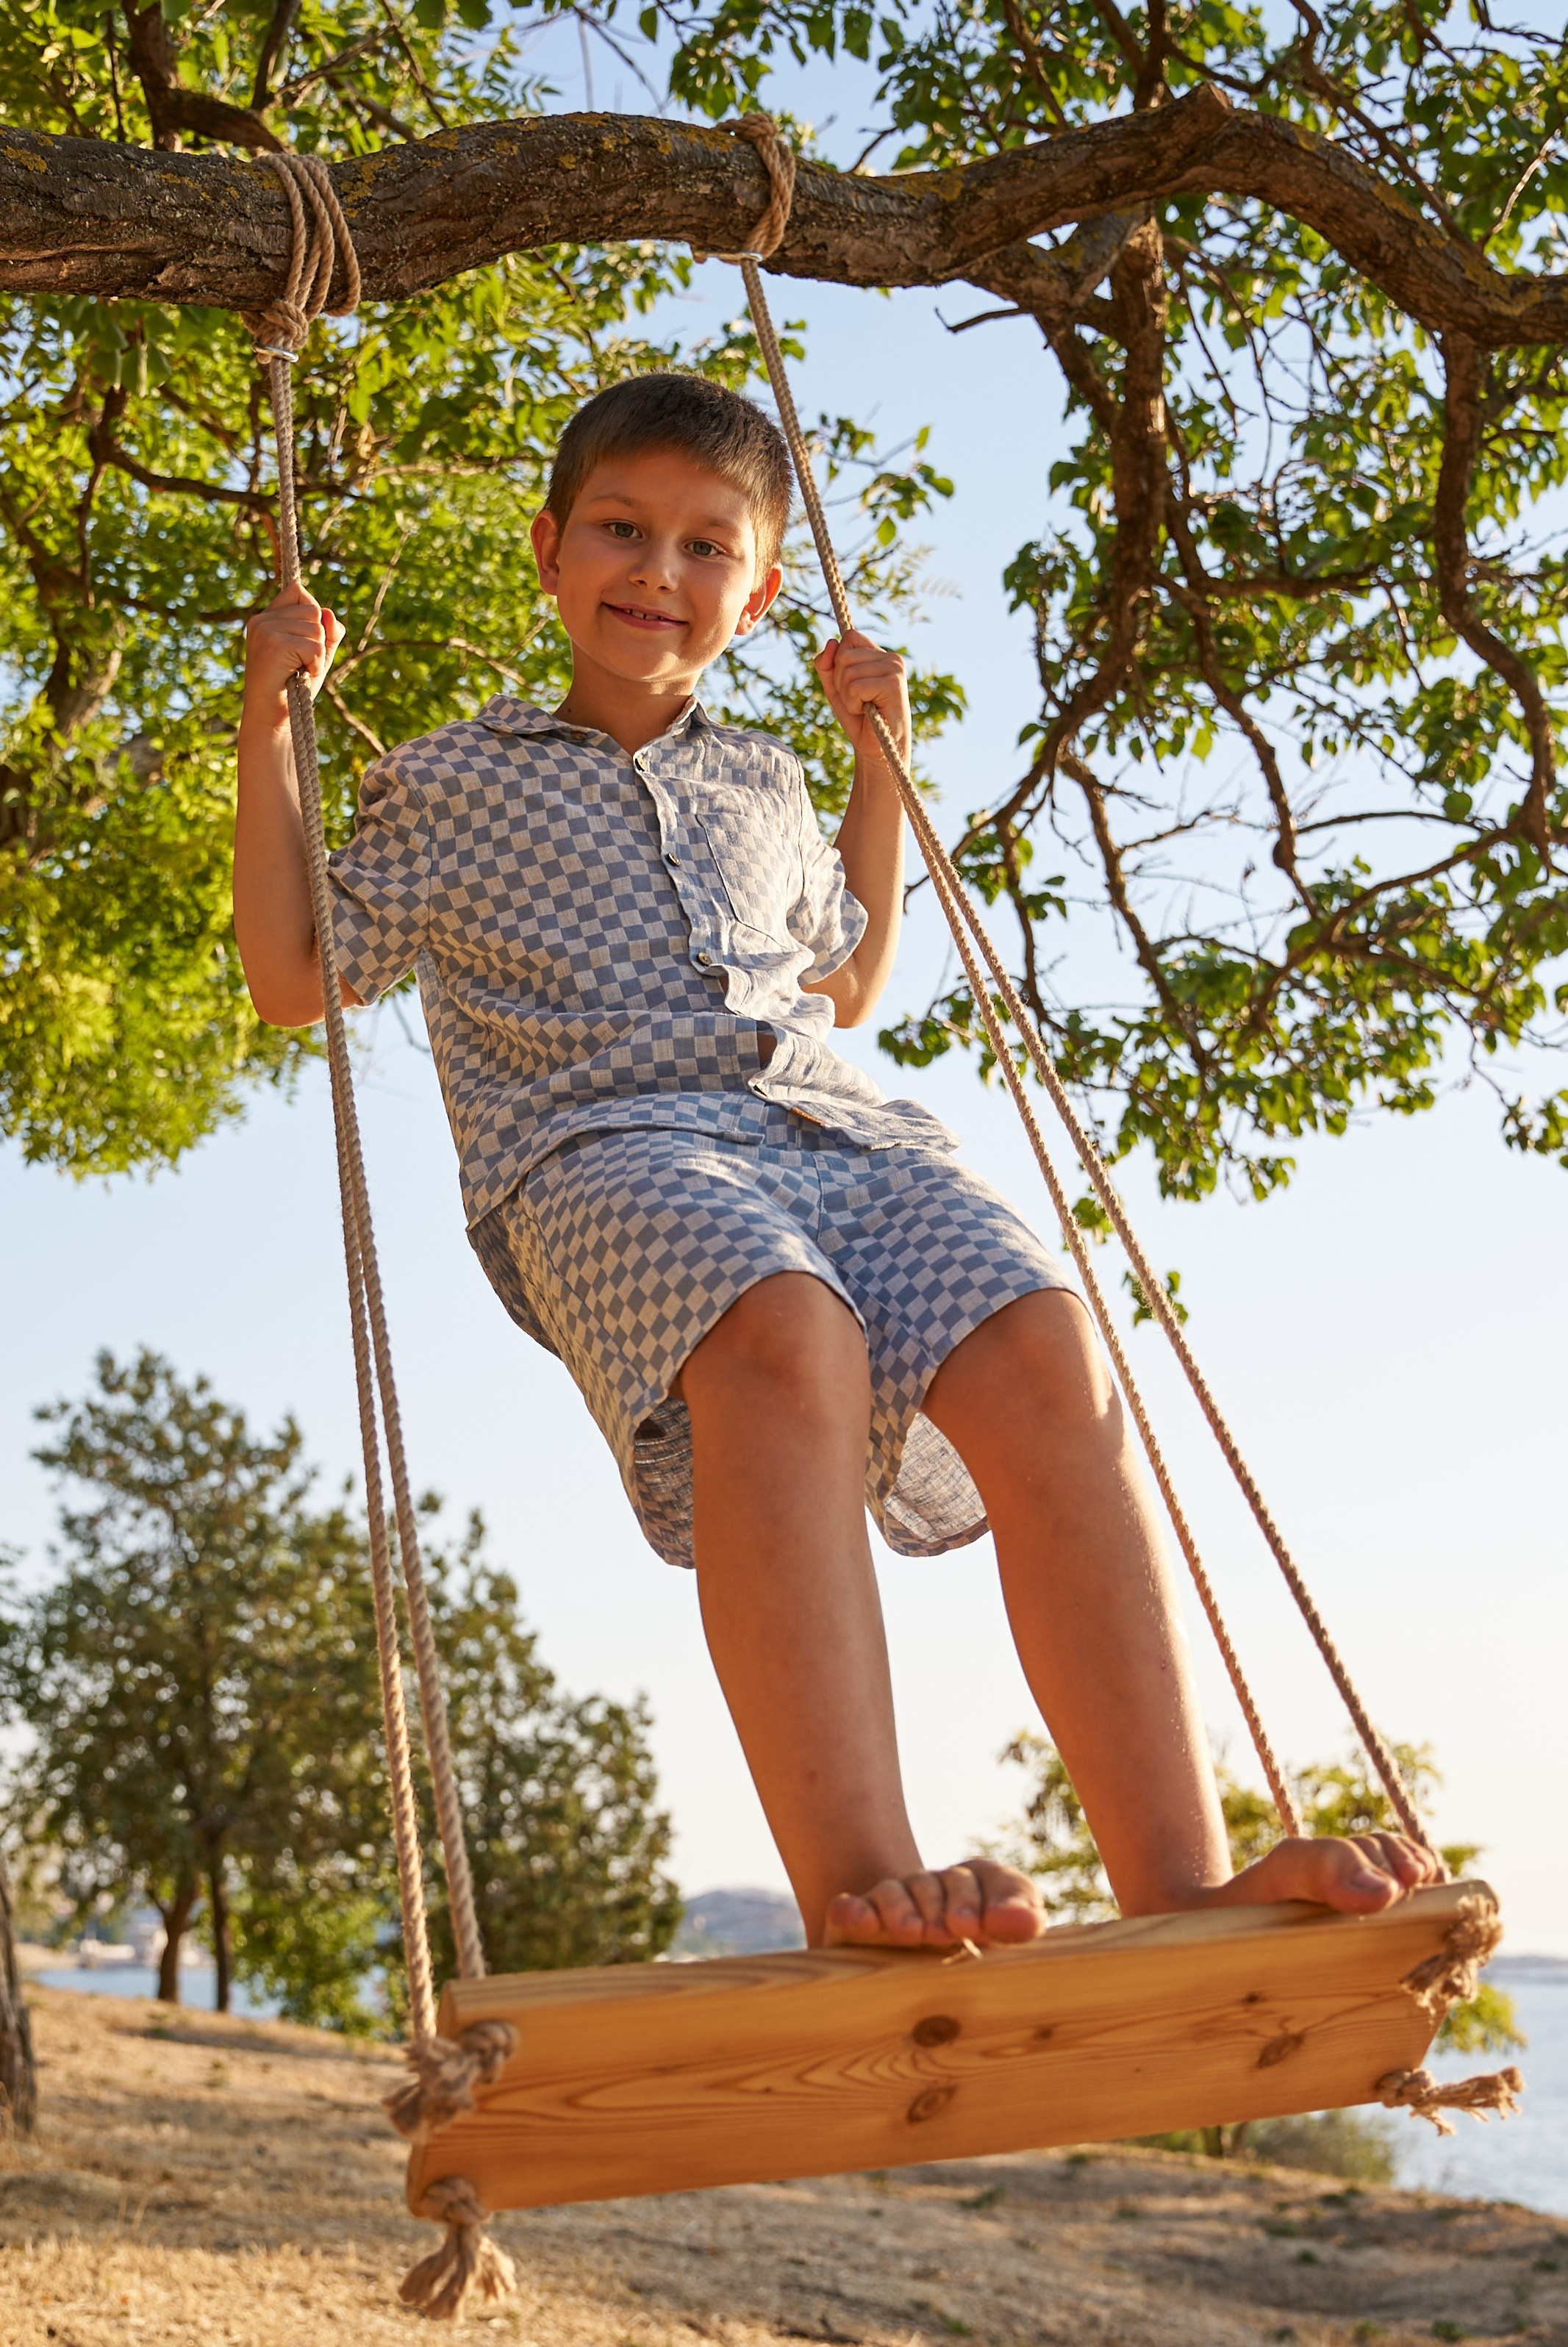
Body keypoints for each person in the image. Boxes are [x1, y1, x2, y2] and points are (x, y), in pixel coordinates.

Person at [234, 372, 1439, 1952]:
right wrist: (269, 717)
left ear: (757, 595)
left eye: (705, 547)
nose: (658, 572)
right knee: (781, 1328)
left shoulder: (764, 778)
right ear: (548, 547)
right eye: (620, 529)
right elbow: (297, 971)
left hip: (826, 1131)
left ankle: (1176, 1880)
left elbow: (847, 978)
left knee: (1045, 1339)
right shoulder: (451, 779)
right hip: (602, 1149)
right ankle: (863, 1880)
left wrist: (879, 761)